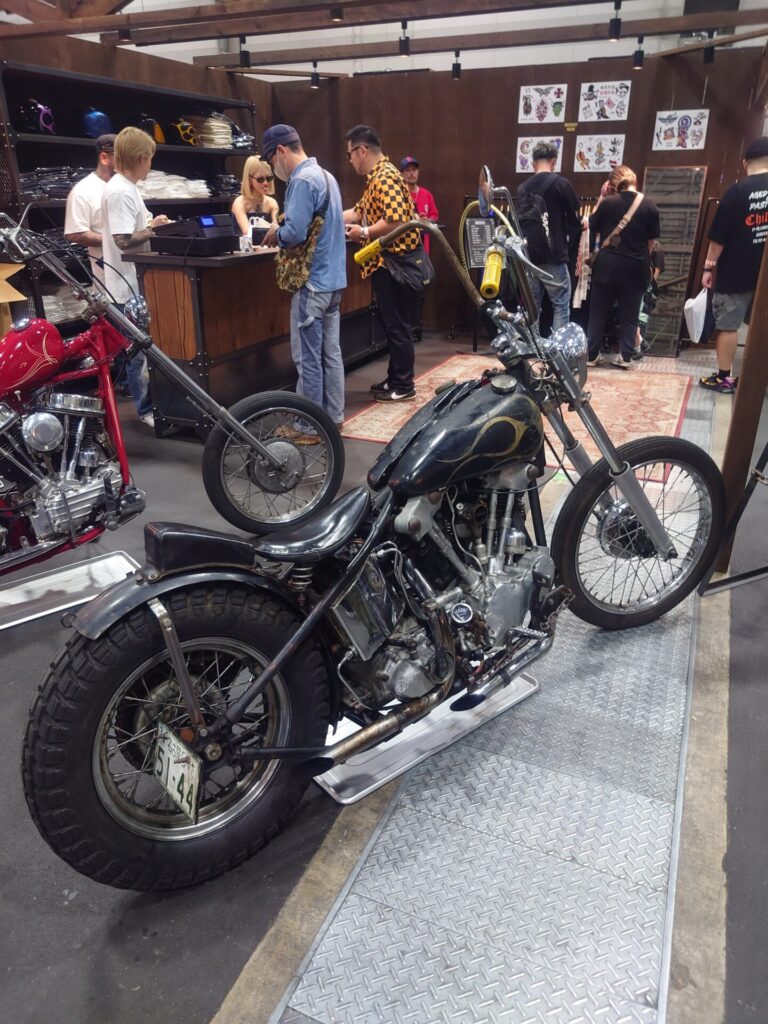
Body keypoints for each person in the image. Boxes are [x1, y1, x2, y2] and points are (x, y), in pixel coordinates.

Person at [261, 124, 346, 438]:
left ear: (281, 151)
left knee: (308, 358)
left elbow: (295, 233)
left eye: (272, 161)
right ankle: (334, 417)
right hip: (333, 281)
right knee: (331, 354)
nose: (274, 169)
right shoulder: (327, 177)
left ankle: (308, 426)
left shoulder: (302, 180)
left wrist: (277, 233)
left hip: (311, 283)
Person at [343, 125, 422, 403]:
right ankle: (395, 377)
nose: (350, 160)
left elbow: (396, 220)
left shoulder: (385, 176)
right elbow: (358, 212)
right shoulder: (379, 176)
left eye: (350, 154)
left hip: (394, 263)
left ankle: (403, 385)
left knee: (397, 325)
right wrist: (328, 215)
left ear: (362, 150)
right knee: (392, 324)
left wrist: (364, 232)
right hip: (388, 263)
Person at [102, 126, 170, 427]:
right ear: (141, 158)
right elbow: (123, 240)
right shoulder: (120, 191)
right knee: (137, 351)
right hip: (126, 286)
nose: (151, 164)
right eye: (150, 158)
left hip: (132, 284)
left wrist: (153, 225)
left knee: (140, 348)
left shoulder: (126, 188)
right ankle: (145, 410)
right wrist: (154, 229)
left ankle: (150, 405)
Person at [699, 136, 768, 394]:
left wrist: (708, 267)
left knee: (728, 326)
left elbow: (719, 238)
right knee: (763, 329)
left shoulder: (737, 192)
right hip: (765, 274)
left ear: (745, 162)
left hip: (736, 272)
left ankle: (724, 379)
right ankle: (758, 379)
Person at [586, 164, 660, 370]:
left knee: (598, 314)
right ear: (635, 180)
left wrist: (602, 197)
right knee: (630, 315)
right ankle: (625, 356)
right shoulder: (650, 206)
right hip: (636, 266)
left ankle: (592, 355)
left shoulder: (608, 203)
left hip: (607, 266)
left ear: (612, 185)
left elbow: (592, 224)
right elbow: (651, 243)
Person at [518, 141, 583, 333]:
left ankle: (532, 346)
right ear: (554, 162)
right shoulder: (562, 184)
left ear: (533, 164)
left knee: (532, 307)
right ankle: (557, 349)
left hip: (529, 256)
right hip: (554, 255)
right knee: (560, 305)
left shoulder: (523, 188)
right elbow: (574, 219)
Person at [64, 133, 116, 284]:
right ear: (104, 158)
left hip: (137, 270)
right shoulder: (83, 191)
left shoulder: (127, 186)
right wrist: (115, 241)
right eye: (122, 157)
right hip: (110, 276)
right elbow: (75, 233)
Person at [231, 156, 279, 237]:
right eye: (260, 179)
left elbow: (276, 228)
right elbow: (247, 232)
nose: (266, 183)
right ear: (249, 179)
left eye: (269, 178)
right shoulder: (239, 203)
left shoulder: (272, 203)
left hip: (267, 245)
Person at [399, 156, 439, 254]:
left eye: (414, 169)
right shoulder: (399, 194)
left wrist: (425, 221)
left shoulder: (427, 194)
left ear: (418, 172)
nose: (411, 173)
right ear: (401, 174)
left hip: (423, 250)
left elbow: (435, 217)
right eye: (407, 170)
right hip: (404, 250)